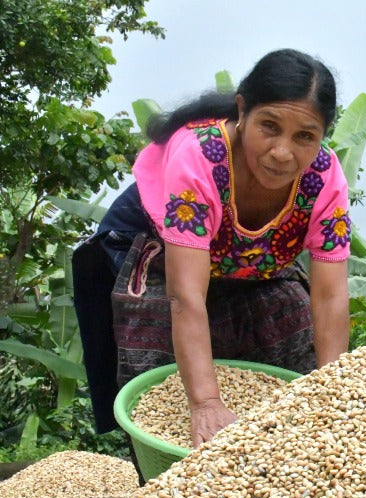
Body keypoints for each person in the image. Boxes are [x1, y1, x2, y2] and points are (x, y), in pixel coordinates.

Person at [73, 48, 351, 450]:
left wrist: (333, 396)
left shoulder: (324, 178)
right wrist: (205, 403)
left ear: (322, 136)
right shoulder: (201, 155)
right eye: (269, 126)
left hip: (248, 261)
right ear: (242, 110)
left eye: (305, 136)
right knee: (154, 327)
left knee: (292, 312)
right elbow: (185, 296)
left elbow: (330, 295)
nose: (282, 152)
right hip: (158, 248)